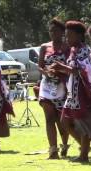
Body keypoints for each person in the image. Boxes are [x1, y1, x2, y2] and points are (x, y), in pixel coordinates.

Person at [59, 21, 91, 162]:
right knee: (65, 122)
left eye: (70, 36)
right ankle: (84, 148)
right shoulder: (74, 50)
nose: (67, 39)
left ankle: (84, 154)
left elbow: (82, 70)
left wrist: (62, 67)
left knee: (82, 123)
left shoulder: (84, 50)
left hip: (83, 91)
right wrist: (61, 69)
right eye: (66, 36)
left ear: (80, 36)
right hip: (73, 92)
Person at [38, 18, 70, 159]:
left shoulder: (67, 47)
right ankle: (53, 150)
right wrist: (46, 73)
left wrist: (60, 72)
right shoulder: (44, 47)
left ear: (62, 32)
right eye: (51, 31)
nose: (53, 33)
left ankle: (64, 144)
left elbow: (71, 67)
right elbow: (40, 65)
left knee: (61, 119)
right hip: (47, 86)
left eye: (56, 31)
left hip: (62, 86)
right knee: (49, 118)